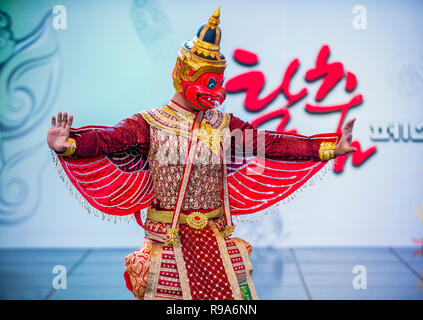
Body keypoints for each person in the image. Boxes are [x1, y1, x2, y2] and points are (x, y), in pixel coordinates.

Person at [47, 7, 356, 300]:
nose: (218, 91)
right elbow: (108, 140)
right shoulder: (150, 123)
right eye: (210, 82)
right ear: (183, 74)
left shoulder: (224, 125)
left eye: (220, 83)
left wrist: (326, 148)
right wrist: (71, 144)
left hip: (214, 239)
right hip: (168, 239)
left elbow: (271, 144)